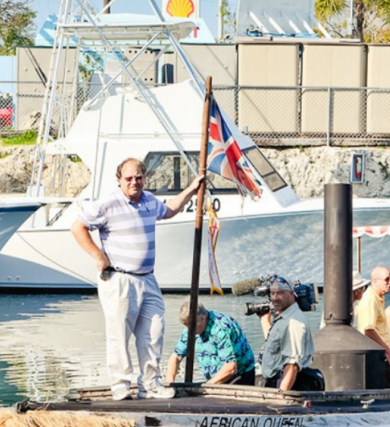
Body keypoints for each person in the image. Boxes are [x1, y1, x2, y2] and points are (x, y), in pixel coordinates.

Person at [72, 157, 202, 401]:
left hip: (148, 279)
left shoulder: (149, 201)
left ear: (145, 177)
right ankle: (120, 385)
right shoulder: (108, 203)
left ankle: (150, 384)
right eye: (129, 178)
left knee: (154, 331)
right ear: (119, 180)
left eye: (139, 177)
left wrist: (191, 189)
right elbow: (78, 227)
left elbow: (170, 210)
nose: (134, 182)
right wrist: (98, 256)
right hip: (120, 278)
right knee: (120, 333)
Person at [165, 301, 256, 386]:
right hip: (216, 377)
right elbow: (176, 357)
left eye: (190, 325)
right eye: (186, 325)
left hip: (240, 376)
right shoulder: (191, 328)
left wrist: (206, 387)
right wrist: (170, 384)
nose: (188, 329)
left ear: (202, 318)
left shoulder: (221, 329)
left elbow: (231, 367)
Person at [259, 276, 323, 391]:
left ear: (291, 293)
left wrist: (281, 397)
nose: (274, 298)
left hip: (286, 384)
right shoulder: (283, 318)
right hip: (276, 381)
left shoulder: (293, 323)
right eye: (272, 294)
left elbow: (292, 365)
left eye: (280, 293)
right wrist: (264, 320)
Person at [357, 265, 390, 388]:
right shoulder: (370, 299)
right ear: (375, 281)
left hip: (381, 354)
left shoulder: (379, 297)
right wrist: (387, 350)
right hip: (378, 355)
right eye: (386, 279)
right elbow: (368, 330)